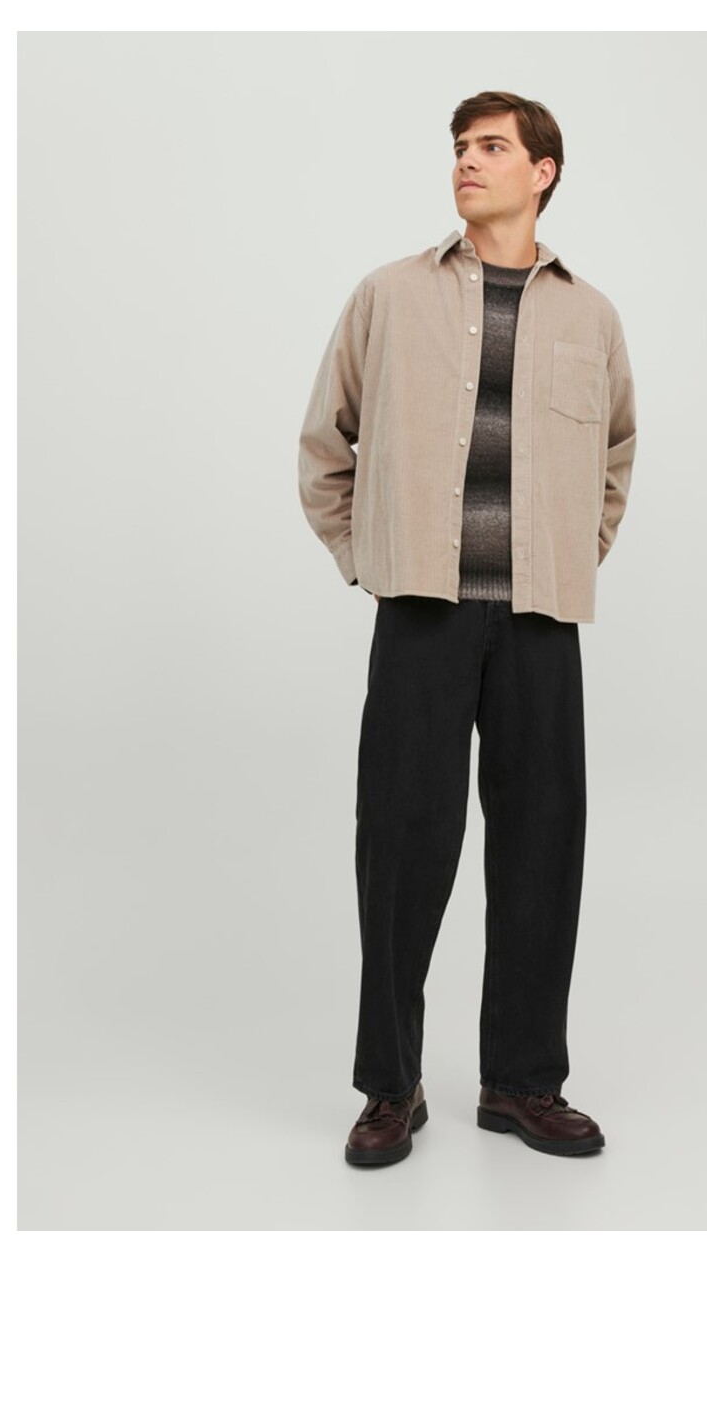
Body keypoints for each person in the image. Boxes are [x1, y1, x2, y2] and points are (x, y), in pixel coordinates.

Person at [297, 90, 637, 1166]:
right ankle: (390, 1086)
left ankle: (523, 1083)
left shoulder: (591, 317)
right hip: (422, 616)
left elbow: (615, 460)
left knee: (542, 848)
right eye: (459, 147)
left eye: (492, 147)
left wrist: (568, 555)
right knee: (400, 849)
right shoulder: (389, 296)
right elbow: (326, 447)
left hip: (539, 621)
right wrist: (372, 559)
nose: (466, 162)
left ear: (544, 171)